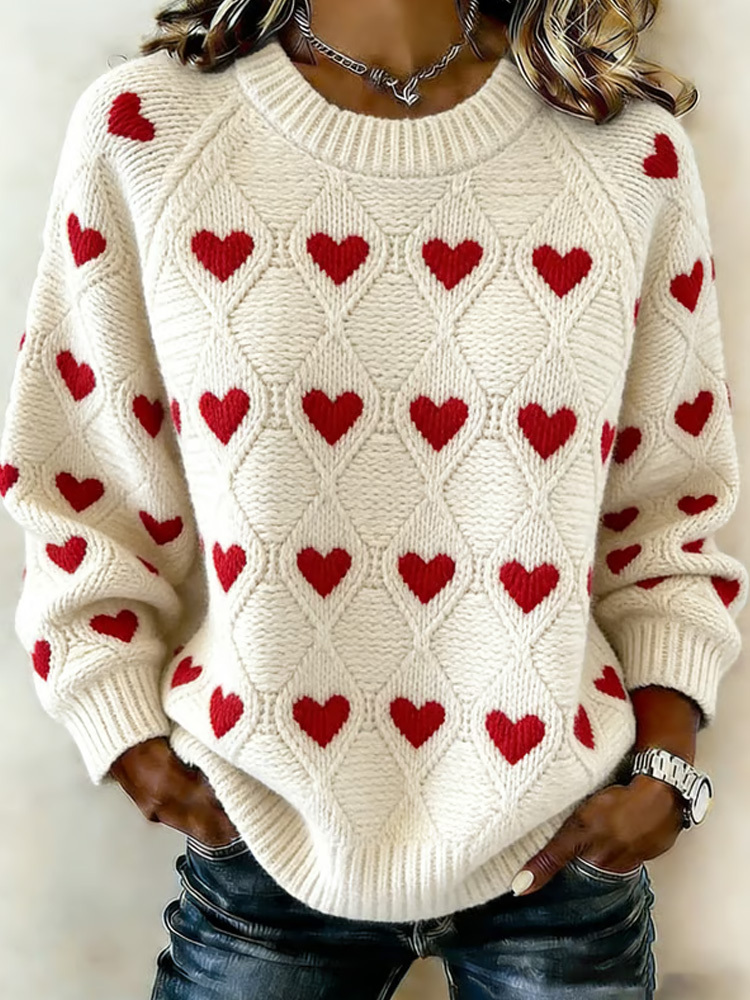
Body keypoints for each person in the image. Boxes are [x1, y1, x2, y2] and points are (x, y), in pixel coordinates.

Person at [1, 0, 746, 996]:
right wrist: (124, 733)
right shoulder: (147, 131)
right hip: (258, 832)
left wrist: (666, 770)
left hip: (563, 843)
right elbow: (76, 475)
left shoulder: (625, 154)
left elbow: (668, 508)